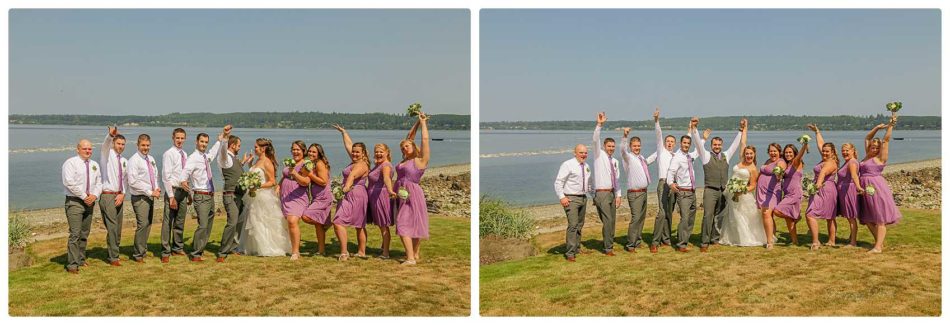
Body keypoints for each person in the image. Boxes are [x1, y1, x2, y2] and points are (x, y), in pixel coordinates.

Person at [690, 117, 746, 252]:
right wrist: (695, 129)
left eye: (719, 145)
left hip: (723, 191)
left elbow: (735, 145)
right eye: (714, 144)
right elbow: (698, 144)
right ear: (711, 145)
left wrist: (740, 130)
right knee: (708, 215)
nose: (717, 146)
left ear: (721, 145)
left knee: (719, 215)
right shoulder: (705, 156)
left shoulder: (726, 155)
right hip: (710, 190)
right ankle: (704, 242)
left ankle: (714, 238)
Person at [178, 126, 231, 261]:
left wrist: (220, 140)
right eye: (202, 142)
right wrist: (185, 184)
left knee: (208, 225)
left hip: (210, 195)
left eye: (206, 142)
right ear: (197, 142)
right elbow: (184, 175)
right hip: (201, 196)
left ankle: (200, 249)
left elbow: (212, 154)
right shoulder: (193, 158)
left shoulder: (204, 157)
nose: (204, 144)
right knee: (202, 225)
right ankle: (195, 254)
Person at [650, 108, 695, 253]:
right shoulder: (661, 151)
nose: (669, 143)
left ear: (675, 144)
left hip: (675, 186)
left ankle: (666, 239)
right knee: (662, 213)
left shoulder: (677, 155)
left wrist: (689, 129)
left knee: (669, 213)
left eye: (672, 142)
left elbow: (686, 144)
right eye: (667, 141)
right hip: (664, 184)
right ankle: (655, 242)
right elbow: (658, 135)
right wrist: (657, 121)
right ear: (664, 143)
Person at [239, 138, 292, 256]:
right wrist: (250, 165)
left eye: (256, 147)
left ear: (263, 149)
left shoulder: (267, 162)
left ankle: (269, 247)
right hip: (254, 196)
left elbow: (272, 182)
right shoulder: (258, 160)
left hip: (264, 196)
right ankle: (256, 247)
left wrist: (257, 186)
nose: (254, 149)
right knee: (254, 221)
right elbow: (257, 175)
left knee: (264, 221)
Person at [859, 113, 902, 253]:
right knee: (867, 218)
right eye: (873, 146)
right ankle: (879, 242)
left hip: (876, 187)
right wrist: (877, 127)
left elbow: (886, 141)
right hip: (864, 188)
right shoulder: (866, 155)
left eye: (877, 147)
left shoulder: (880, 158)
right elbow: (867, 137)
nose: (875, 148)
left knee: (879, 217)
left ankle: (877, 247)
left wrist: (890, 125)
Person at [395, 113, 432, 265]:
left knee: (403, 223)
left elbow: (424, 140)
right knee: (408, 223)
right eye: (403, 147)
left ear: (413, 146)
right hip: (401, 194)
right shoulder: (404, 160)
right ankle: (415, 254)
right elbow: (409, 136)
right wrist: (417, 122)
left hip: (413, 193)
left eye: (407, 146)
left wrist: (423, 123)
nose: (404, 148)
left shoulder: (420, 160)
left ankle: (410, 258)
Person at [62, 139, 102, 273]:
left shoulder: (94, 164)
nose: (88, 151)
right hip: (75, 202)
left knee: (84, 233)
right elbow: (69, 183)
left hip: (90, 202)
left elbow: (99, 183)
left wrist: (94, 195)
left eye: (90, 149)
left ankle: (80, 258)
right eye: (85, 148)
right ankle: (72, 265)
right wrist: (85, 196)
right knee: (75, 234)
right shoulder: (70, 163)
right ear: (78, 149)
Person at [331, 124, 371, 261]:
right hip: (347, 194)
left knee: (359, 225)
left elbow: (352, 176)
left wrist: (345, 189)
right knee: (338, 221)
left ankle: (361, 251)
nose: (354, 153)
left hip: (356, 194)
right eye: (353, 151)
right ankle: (344, 252)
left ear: (363, 153)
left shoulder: (362, 164)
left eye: (357, 152)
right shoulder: (354, 160)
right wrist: (344, 132)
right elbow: (349, 145)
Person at [718, 139, 768, 247]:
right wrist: (744, 128)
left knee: (741, 216)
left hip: (743, 195)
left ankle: (744, 239)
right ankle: (732, 237)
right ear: (744, 154)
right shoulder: (741, 161)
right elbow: (743, 143)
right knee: (732, 216)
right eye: (747, 153)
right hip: (731, 192)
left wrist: (741, 191)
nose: (749, 155)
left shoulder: (753, 169)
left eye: (751, 154)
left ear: (754, 155)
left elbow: (753, 185)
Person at [216, 134, 254, 262]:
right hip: (230, 195)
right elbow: (222, 153)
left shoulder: (234, 159)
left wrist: (243, 162)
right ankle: (222, 252)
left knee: (239, 222)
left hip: (239, 195)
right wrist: (224, 140)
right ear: (232, 145)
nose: (239, 147)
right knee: (232, 222)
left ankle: (233, 246)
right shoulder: (225, 158)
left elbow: (236, 171)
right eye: (238, 145)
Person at [126, 134, 161, 263]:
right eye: (143, 145)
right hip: (140, 197)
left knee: (148, 224)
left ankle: (143, 250)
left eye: (147, 145)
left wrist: (156, 188)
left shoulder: (150, 158)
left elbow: (155, 175)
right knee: (142, 224)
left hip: (150, 195)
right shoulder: (133, 160)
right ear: (138, 145)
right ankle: (138, 254)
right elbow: (133, 182)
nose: (145, 148)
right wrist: (150, 192)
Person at [619, 127, 655, 253]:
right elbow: (622, 150)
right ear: (630, 146)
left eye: (638, 146)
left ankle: (638, 241)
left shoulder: (641, 158)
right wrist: (625, 135)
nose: (637, 148)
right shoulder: (628, 158)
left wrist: (661, 150)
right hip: (634, 194)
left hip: (644, 192)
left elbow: (648, 161)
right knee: (635, 219)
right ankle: (630, 245)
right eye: (634, 146)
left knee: (641, 218)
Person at [590, 112, 622, 255]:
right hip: (602, 193)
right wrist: (599, 125)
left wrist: (618, 195)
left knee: (612, 220)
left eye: (613, 146)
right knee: (607, 220)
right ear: (604, 146)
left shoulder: (615, 161)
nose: (611, 148)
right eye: (609, 146)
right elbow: (595, 139)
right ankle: (607, 248)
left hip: (612, 193)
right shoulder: (599, 155)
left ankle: (609, 242)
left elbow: (617, 180)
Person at [804, 125, 839, 250]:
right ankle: (817, 241)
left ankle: (829, 240)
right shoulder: (825, 158)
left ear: (833, 152)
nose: (824, 152)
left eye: (827, 151)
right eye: (823, 151)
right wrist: (817, 132)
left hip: (826, 189)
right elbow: (821, 144)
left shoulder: (831, 162)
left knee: (829, 216)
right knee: (810, 214)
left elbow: (823, 172)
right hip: (819, 188)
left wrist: (817, 185)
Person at [554, 144, 591, 262]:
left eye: (585, 153)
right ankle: (570, 253)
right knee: (573, 225)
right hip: (571, 199)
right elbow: (558, 182)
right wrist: (562, 197)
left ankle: (577, 248)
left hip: (583, 198)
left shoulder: (586, 166)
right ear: (575, 153)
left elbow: (589, 183)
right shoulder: (568, 164)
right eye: (581, 152)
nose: (583, 155)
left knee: (580, 225)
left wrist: (593, 195)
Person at [98, 126, 128, 266]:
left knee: (118, 227)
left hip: (119, 196)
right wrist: (110, 135)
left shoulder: (124, 161)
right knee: (112, 227)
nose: (120, 146)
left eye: (123, 144)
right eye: (118, 143)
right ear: (113, 144)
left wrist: (123, 193)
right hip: (108, 195)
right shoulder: (106, 155)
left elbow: (124, 180)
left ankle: (114, 252)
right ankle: (113, 257)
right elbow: (105, 144)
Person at [666, 128, 700, 252]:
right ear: (681, 143)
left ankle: (685, 239)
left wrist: (704, 139)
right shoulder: (677, 157)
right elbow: (671, 171)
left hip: (692, 192)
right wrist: (670, 184)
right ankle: (681, 244)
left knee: (691, 218)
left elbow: (698, 151)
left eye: (688, 143)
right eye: (684, 143)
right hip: (683, 193)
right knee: (685, 218)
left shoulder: (689, 156)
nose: (686, 145)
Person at [161, 128, 190, 263]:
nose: (179, 140)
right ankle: (165, 251)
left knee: (180, 221)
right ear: (173, 138)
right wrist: (171, 196)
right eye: (177, 138)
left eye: (182, 138)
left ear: (185, 139)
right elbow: (166, 177)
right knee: (168, 222)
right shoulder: (169, 154)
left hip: (183, 191)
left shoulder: (185, 154)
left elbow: (186, 175)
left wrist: (189, 193)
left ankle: (177, 248)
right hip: (172, 190)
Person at [280, 140, 312, 260]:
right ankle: (288, 246)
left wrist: (294, 173)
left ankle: (295, 252)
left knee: (292, 221)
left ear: (303, 151)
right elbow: (284, 176)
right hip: (285, 196)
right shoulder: (290, 162)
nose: (295, 151)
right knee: (287, 222)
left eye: (298, 149)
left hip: (298, 196)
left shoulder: (306, 164)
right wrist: (278, 186)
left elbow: (305, 182)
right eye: (293, 149)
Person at [771, 142, 807, 246]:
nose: (788, 154)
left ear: (794, 153)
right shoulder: (787, 165)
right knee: (788, 219)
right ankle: (795, 241)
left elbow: (800, 154)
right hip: (787, 193)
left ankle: (796, 218)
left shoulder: (796, 162)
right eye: (786, 152)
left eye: (790, 152)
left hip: (795, 193)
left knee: (777, 211)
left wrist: (804, 145)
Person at [301, 143, 333, 256]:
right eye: (310, 151)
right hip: (317, 197)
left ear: (319, 153)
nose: (311, 153)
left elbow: (323, 182)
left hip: (323, 197)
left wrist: (309, 174)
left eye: (314, 152)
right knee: (317, 225)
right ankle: (321, 250)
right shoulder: (312, 163)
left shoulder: (319, 164)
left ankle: (328, 224)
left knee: (306, 216)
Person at [368, 143, 397, 259]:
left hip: (381, 196)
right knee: (381, 224)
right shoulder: (378, 164)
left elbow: (386, 178)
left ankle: (385, 253)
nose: (378, 154)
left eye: (381, 152)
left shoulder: (385, 165)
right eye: (376, 152)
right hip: (374, 197)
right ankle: (383, 247)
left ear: (387, 152)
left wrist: (390, 190)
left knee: (383, 225)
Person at [756, 143, 786, 249]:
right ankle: (772, 237)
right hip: (761, 192)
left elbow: (780, 171)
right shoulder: (767, 161)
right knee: (769, 216)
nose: (772, 153)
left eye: (775, 151)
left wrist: (779, 173)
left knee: (766, 213)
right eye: (771, 151)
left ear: (779, 152)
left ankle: (769, 242)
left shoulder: (781, 162)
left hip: (772, 192)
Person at [837, 142, 863, 247]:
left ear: (853, 150)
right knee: (850, 217)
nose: (844, 152)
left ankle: (853, 242)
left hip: (849, 191)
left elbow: (854, 176)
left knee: (851, 217)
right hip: (844, 191)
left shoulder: (852, 162)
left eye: (847, 150)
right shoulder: (847, 162)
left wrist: (858, 187)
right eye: (843, 150)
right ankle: (851, 238)